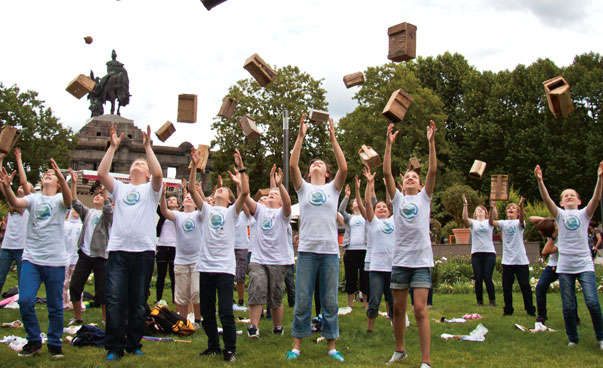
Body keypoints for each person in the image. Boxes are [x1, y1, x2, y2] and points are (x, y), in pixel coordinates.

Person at [99, 125, 163, 360]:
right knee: (115, 300)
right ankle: (114, 347)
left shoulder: (151, 190)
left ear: (146, 173)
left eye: (142, 164)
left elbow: (158, 174)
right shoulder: (120, 189)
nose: (138, 164)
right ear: (128, 172)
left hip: (144, 252)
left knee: (138, 301)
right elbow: (102, 173)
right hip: (118, 251)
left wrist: (148, 148)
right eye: (135, 163)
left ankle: (134, 342)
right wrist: (113, 147)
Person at [287, 114, 347, 362]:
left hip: (330, 253)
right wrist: (300, 136)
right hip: (308, 252)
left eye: (320, 163)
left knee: (330, 301)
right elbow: (292, 166)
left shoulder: (333, 188)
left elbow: (344, 168)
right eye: (313, 163)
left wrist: (333, 137)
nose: (316, 164)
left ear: (326, 171)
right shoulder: (304, 189)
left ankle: (332, 346)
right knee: (302, 301)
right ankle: (297, 346)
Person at [0, 158, 72, 359]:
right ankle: (33, 341)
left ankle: (55, 344)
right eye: (46, 173)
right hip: (31, 258)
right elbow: (15, 202)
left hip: (55, 261)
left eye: (52, 174)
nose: (48, 174)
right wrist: (6, 187)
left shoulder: (59, 199)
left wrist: (63, 180)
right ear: (42, 180)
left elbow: (69, 200)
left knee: (55, 306)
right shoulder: (33, 198)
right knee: (25, 300)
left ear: (57, 183)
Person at [383, 121, 437, 368]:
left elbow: (433, 172)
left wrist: (431, 142)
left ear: (420, 184)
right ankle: (400, 350)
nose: (410, 179)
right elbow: (385, 173)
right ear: (403, 183)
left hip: (421, 261)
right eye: (407, 177)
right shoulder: (398, 199)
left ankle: (426, 361)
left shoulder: (425, 198)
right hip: (400, 261)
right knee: (397, 309)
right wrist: (388, 144)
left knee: (419, 310)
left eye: (414, 177)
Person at [189, 147, 248, 362]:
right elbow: (191, 189)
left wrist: (241, 168)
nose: (219, 191)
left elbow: (245, 193)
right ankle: (213, 345)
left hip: (224, 268)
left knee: (225, 311)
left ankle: (230, 349)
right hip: (205, 267)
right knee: (207, 311)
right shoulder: (206, 210)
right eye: (217, 190)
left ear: (229, 199)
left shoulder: (232, 213)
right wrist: (194, 166)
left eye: (223, 191)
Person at [535, 163, 603, 349]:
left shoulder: (584, 214)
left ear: (579, 201)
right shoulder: (559, 215)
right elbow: (546, 199)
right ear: (562, 203)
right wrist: (540, 181)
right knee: (568, 306)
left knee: (592, 302)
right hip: (565, 266)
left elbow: (596, 198)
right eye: (565, 195)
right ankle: (573, 338)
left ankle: (601, 338)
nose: (569, 196)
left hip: (584, 264)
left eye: (572, 194)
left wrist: (600, 178)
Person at [244, 164, 292, 337]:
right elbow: (245, 197)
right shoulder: (260, 211)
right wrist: (242, 174)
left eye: (275, 194)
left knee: (275, 295)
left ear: (279, 201)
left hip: (278, 261)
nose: (270, 194)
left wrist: (280, 186)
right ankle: (253, 327)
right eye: (269, 193)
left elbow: (287, 203)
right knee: (256, 287)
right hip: (258, 259)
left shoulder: (283, 214)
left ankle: (277, 326)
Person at [68, 170, 112, 324]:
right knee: (75, 286)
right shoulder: (88, 213)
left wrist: (105, 192)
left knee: (102, 291)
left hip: (101, 257)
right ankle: (77, 317)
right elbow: (75, 202)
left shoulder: (108, 216)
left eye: (100, 195)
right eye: (96, 195)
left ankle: (106, 319)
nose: (97, 196)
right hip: (85, 255)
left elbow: (108, 210)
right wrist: (74, 183)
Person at [159, 189, 201, 324]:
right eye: (187, 197)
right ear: (182, 203)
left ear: (196, 203)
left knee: (196, 292)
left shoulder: (199, 214)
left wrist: (198, 192)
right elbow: (164, 212)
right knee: (182, 294)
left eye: (191, 197)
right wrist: (162, 195)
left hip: (197, 260)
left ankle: (198, 319)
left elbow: (205, 206)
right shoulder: (177, 215)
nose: (189, 198)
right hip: (181, 260)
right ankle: (182, 322)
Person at [489, 197, 535, 317]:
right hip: (507, 261)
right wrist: (491, 208)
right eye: (509, 208)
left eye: (513, 208)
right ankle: (508, 310)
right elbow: (491, 222)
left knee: (525, 286)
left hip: (521, 261)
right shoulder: (503, 223)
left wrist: (522, 206)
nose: (510, 209)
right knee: (506, 288)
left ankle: (530, 310)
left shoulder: (520, 223)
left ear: (518, 213)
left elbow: (521, 220)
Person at [362, 168, 395, 332]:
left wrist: (389, 186)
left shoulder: (395, 221)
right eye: (379, 207)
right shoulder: (372, 222)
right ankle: (370, 328)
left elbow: (394, 200)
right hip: (376, 268)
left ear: (389, 211)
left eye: (384, 207)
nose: (381, 208)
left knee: (393, 300)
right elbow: (368, 203)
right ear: (374, 212)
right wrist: (369, 184)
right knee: (374, 300)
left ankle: (396, 326)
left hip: (393, 267)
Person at [0, 148, 31, 295]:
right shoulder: (13, 204)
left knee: (22, 279)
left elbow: (24, 184)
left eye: (24, 187)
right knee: (0, 276)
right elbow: (3, 186)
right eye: (18, 186)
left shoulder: (30, 206)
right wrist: (1, 160)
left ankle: (22, 302)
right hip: (7, 246)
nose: (20, 187)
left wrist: (19, 159)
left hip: (22, 248)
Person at [462, 194, 496, 306]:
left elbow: (494, 216)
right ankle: (479, 301)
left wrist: (492, 206)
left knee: (487, 277)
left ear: (485, 213)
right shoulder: (473, 223)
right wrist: (465, 204)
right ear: (475, 213)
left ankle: (492, 301)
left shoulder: (489, 222)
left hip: (489, 253)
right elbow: (464, 218)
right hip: (476, 253)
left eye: (482, 210)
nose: (479, 212)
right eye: (477, 210)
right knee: (478, 277)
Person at [338, 183, 368, 308]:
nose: (356, 202)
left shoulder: (367, 216)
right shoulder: (349, 217)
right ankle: (350, 304)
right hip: (350, 251)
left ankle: (366, 304)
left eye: (358, 200)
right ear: (352, 206)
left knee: (365, 278)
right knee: (351, 278)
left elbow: (372, 201)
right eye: (354, 201)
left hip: (365, 250)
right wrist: (346, 196)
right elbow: (340, 210)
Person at [155, 194, 177, 303]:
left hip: (175, 247)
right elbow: (157, 205)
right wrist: (162, 195)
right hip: (163, 246)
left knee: (173, 275)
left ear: (178, 204)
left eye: (174, 200)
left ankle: (175, 299)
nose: (171, 201)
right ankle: (158, 298)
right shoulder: (164, 214)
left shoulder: (179, 215)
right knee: (161, 275)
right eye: (170, 200)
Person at [63, 209, 82, 310]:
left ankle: (78, 303)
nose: (76, 213)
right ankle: (64, 303)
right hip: (65, 256)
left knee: (77, 282)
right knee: (64, 282)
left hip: (77, 257)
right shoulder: (65, 225)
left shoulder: (82, 226)